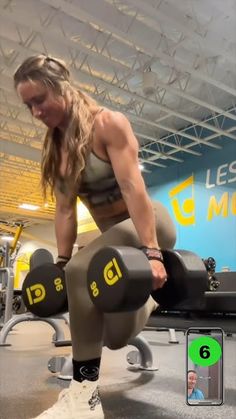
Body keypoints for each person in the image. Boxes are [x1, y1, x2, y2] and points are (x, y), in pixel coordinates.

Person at [14, 54, 176, 419]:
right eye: (28, 106)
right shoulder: (58, 148)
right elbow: (65, 210)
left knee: (79, 270)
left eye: (40, 100)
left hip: (149, 225)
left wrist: (152, 252)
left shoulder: (108, 124)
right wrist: (60, 261)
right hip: (115, 243)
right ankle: (148, 301)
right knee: (115, 336)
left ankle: (84, 394)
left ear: (62, 88)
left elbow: (134, 190)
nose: (35, 112)